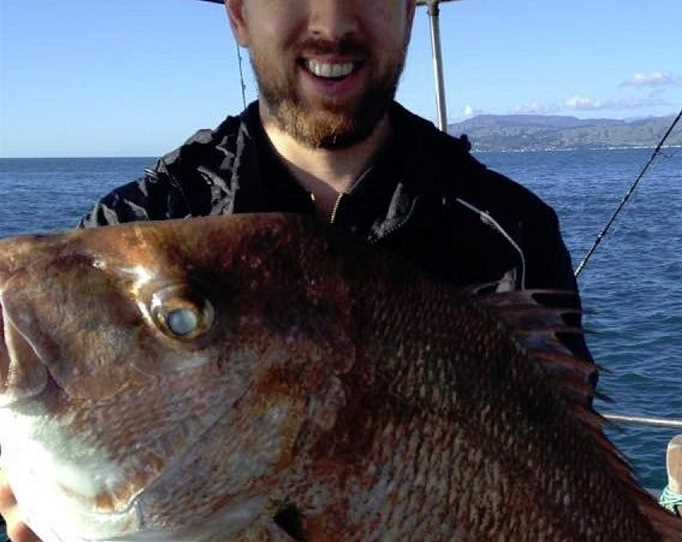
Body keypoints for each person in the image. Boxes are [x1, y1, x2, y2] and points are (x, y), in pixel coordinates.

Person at [0, 1, 591, 540]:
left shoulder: (512, 233)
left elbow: (576, 467)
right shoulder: (138, 221)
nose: (332, 24)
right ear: (238, 14)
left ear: (410, 13)